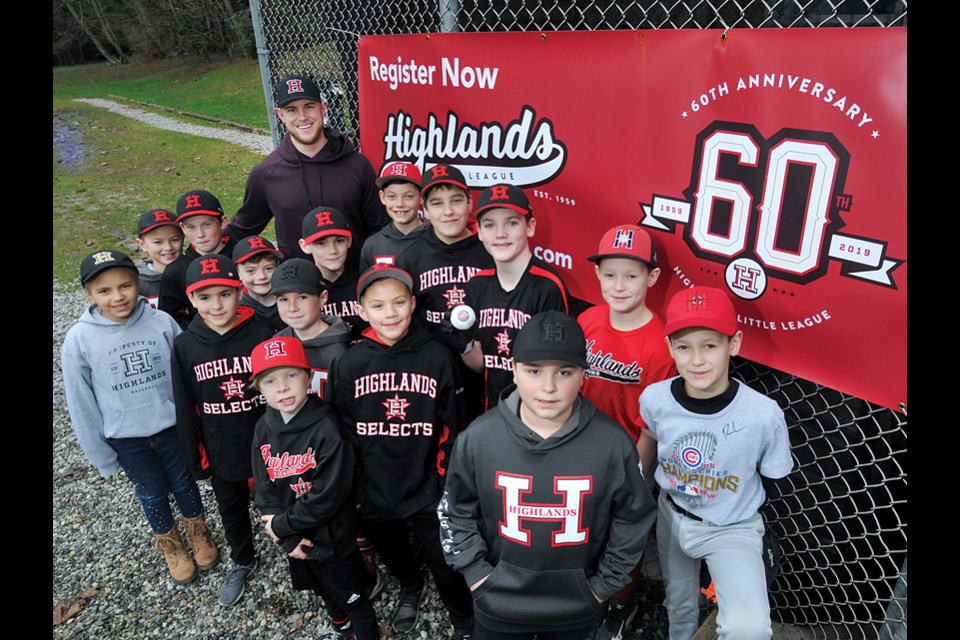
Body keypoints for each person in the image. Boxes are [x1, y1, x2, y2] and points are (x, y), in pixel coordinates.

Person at [438, 311, 657, 640]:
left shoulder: (612, 445)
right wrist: (477, 573)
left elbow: (633, 517)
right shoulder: (479, 438)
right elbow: (455, 509)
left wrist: (600, 587)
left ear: (584, 374)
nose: (548, 387)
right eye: (534, 370)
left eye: (564, 372)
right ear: (513, 369)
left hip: (576, 607)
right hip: (499, 604)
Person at [639, 286, 794, 640]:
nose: (697, 360)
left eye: (710, 345)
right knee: (678, 604)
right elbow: (649, 439)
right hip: (672, 514)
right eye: (684, 347)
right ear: (670, 348)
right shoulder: (655, 398)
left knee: (748, 629)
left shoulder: (762, 414)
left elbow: (776, 478)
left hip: (731, 527)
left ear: (734, 343)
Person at [332, 264, 475, 639]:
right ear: (362, 311)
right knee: (393, 551)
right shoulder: (350, 363)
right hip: (375, 489)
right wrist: (359, 490)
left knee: (445, 562)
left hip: (428, 486)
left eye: (398, 302)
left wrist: (443, 484)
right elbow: (345, 433)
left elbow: (453, 427)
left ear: (413, 304)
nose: (390, 313)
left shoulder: (437, 356)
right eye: (378, 306)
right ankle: (411, 587)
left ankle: (463, 619)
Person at [62, 249, 218, 585]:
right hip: (127, 437)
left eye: (125, 286)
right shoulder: (79, 339)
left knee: (183, 482)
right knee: (151, 492)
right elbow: (81, 401)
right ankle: (171, 543)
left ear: (138, 284)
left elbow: (188, 374)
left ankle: (198, 531)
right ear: (89, 294)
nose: (117, 296)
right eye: (104, 291)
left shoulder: (161, 321)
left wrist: (200, 426)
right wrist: (101, 455)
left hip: (172, 426)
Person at [577, 223, 676, 639]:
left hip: (627, 453)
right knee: (579, 523)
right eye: (610, 274)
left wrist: (632, 478)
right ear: (598, 276)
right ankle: (581, 590)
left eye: (631, 275)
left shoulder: (660, 342)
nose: (619, 286)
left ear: (651, 278)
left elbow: (650, 428)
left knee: (623, 530)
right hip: (579, 444)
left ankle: (620, 603)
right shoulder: (587, 320)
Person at [249, 335, 380, 640]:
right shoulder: (263, 426)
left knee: (353, 596)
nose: (282, 387)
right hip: (295, 536)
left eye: (291, 375)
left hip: (332, 535)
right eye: (270, 381)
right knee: (319, 586)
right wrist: (285, 535)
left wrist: (282, 526)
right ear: (258, 388)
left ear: (308, 377)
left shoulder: (329, 428)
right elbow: (264, 484)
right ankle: (340, 624)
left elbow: (328, 495)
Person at [170, 254, 275, 606]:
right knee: (231, 508)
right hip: (221, 444)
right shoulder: (185, 345)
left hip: (265, 438)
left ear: (239, 291)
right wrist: (195, 457)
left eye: (225, 294)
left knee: (282, 498)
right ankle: (243, 559)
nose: (216, 305)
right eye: (205, 297)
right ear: (191, 298)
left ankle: (297, 549)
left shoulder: (261, 332)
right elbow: (185, 406)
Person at [225, 73, 387, 267]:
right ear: (280, 114)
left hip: (354, 283)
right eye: (292, 110)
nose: (302, 117)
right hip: (298, 289)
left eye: (309, 107)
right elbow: (242, 230)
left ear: (323, 108)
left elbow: (379, 228)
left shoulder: (357, 165)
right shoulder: (266, 174)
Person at [395, 164, 493, 420]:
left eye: (456, 201)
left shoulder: (491, 251)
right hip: (433, 369)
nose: (448, 211)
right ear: (424, 210)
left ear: (470, 203)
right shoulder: (411, 256)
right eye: (437, 203)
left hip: (484, 368)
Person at [463, 183, 572, 409]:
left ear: (530, 227)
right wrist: (462, 344)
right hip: (491, 411)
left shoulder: (548, 286)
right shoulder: (477, 285)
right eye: (490, 225)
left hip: (537, 413)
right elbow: (481, 365)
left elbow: (558, 367)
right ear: (479, 232)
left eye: (512, 223)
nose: (501, 233)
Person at [271, 258, 350, 401]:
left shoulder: (340, 352)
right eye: (283, 300)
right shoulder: (277, 344)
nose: (292, 308)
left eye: (302, 297)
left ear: (323, 298)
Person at [159, 189, 238, 328]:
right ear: (182, 228)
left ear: (223, 222)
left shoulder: (242, 256)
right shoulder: (176, 271)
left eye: (207, 225)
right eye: (191, 227)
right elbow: (170, 319)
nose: (200, 234)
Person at [299, 205, 365, 341]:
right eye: (321, 243)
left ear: (349, 240)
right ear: (305, 246)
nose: (332, 250)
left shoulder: (365, 283)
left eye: (339, 241)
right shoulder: (302, 289)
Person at [359, 161, 430, 271]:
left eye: (408, 196)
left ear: (421, 197)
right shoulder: (373, 245)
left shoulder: (437, 236)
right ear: (382, 197)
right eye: (392, 197)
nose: (400, 204)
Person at [134, 208, 184, 309]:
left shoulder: (194, 270)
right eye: (157, 242)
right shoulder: (136, 281)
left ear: (183, 239)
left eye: (174, 240)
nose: (168, 247)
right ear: (142, 245)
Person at [233, 235, 285, 331]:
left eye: (269, 268)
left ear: (278, 266)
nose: (261, 276)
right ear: (238, 273)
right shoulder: (236, 309)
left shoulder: (291, 298)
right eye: (251, 271)